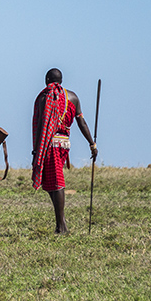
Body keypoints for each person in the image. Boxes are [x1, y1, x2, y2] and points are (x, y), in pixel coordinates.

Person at [32, 68, 98, 234]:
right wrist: (92, 144)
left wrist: (37, 149)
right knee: (50, 182)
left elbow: (41, 124)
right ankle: (62, 224)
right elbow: (82, 123)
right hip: (64, 144)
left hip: (49, 143)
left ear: (47, 79)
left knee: (57, 182)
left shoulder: (45, 97)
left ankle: (61, 227)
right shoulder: (73, 97)